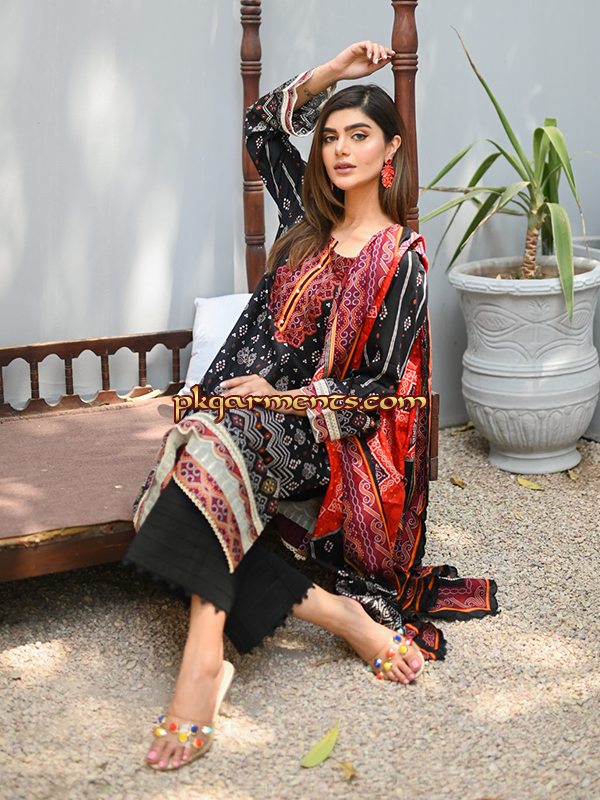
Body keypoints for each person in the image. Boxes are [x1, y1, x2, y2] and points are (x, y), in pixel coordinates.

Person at [123, 41, 498, 772]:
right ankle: (335, 614)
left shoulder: (401, 258)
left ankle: (201, 664)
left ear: (392, 149)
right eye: (329, 136)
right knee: (164, 496)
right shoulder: (304, 219)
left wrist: (281, 397)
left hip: (311, 435)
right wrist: (332, 75)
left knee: (192, 469)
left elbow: (380, 392)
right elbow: (261, 125)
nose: (340, 150)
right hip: (222, 416)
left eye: (359, 134)